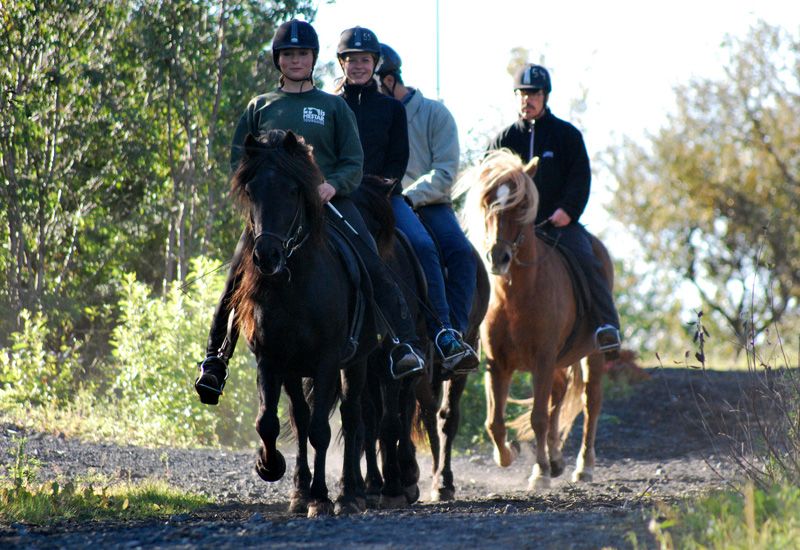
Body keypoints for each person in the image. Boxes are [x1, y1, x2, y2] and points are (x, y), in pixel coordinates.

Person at [194, 20, 425, 405]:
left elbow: (354, 160)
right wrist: (257, 196)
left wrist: (331, 186)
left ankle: (404, 343)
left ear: (314, 59)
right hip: (275, 214)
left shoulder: (331, 106)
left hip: (328, 202)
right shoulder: (260, 106)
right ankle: (216, 359)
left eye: (302, 54)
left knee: (371, 259)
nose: (296, 60)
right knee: (236, 273)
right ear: (278, 60)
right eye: (289, 54)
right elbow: (240, 161)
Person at [336, 27, 475, 374]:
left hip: (389, 197)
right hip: (340, 194)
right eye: (352, 60)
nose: (359, 67)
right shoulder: (329, 105)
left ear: (382, 69)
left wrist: (388, 188)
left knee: (424, 245)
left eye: (366, 61)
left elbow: (399, 160)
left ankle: (444, 329)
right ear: (341, 63)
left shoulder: (402, 111)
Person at [487, 63, 621, 357]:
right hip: (511, 229)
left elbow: (580, 178)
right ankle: (470, 334)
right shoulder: (503, 140)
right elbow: (487, 184)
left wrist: (567, 211)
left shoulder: (567, 136)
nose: (527, 99)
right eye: (522, 93)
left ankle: (606, 327)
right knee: (480, 264)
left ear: (545, 96)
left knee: (589, 260)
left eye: (533, 93)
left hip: (557, 223)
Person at [376, 44, 479, 374]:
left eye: (374, 82)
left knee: (461, 253)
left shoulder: (435, 114)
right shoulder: (369, 114)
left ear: (390, 80)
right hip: (383, 201)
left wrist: (408, 195)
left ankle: (453, 333)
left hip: (429, 203)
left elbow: (445, 171)